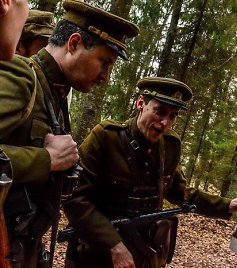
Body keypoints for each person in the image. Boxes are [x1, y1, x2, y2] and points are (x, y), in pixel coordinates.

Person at [0, 0, 139, 267]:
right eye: (104, 62)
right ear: (74, 43)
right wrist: (46, 159)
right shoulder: (23, 77)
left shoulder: (56, 94)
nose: (105, 77)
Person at [64, 77, 237, 268]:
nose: (165, 123)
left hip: (143, 252)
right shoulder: (106, 137)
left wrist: (227, 205)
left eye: (173, 116)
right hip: (95, 252)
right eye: (160, 112)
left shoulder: (169, 145)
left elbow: (180, 192)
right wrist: (114, 245)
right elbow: (75, 198)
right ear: (141, 103)